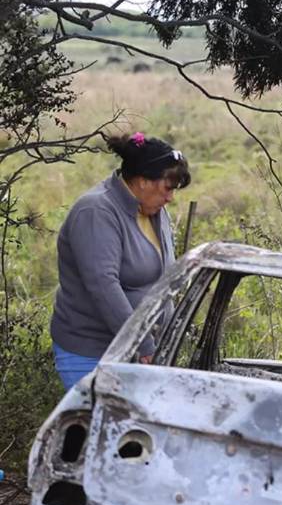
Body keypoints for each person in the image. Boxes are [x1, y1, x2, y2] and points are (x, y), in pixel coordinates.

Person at [50, 132, 191, 390]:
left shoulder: (154, 212)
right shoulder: (96, 212)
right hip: (93, 354)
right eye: (167, 188)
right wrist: (142, 342)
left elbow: (163, 277)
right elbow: (103, 286)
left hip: (138, 350)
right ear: (143, 180)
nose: (170, 197)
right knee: (102, 428)